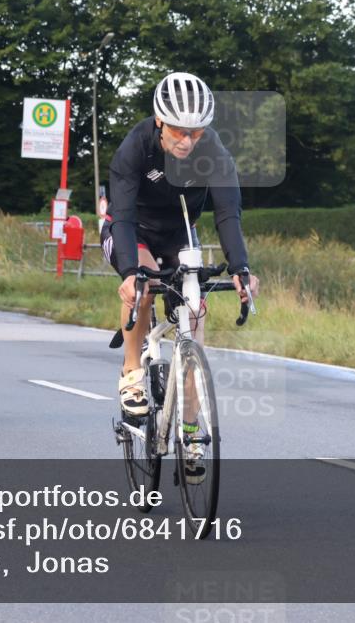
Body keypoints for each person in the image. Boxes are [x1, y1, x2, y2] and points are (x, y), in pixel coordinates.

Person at [100, 72, 259, 480]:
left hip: (179, 233)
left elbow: (228, 213)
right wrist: (130, 273)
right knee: (144, 284)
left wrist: (240, 268)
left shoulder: (214, 152)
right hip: (131, 229)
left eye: (196, 132)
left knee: (196, 313)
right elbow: (122, 216)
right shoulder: (136, 147)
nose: (187, 141)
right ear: (159, 121)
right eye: (179, 131)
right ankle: (132, 372)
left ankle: (190, 430)